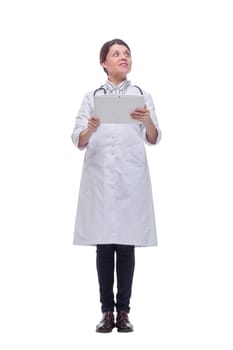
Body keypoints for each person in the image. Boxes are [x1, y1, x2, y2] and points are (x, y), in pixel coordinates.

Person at [71, 38, 161, 333]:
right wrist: (90, 128)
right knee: (103, 245)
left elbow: (153, 137)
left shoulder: (141, 95)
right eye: (117, 54)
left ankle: (124, 312)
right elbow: (78, 140)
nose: (124, 58)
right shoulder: (91, 96)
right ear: (104, 63)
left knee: (125, 244)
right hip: (99, 177)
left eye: (127, 54)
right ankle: (106, 312)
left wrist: (147, 120)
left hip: (130, 178)